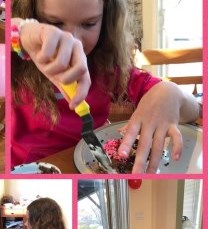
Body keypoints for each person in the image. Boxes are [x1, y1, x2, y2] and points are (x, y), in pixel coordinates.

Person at [11, 0, 200, 173]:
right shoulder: (15, 65)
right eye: (54, 23)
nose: (73, 40)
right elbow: (6, 36)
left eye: (89, 24)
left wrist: (170, 93)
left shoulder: (108, 68)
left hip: (92, 166)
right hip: (29, 170)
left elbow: (197, 110)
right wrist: (22, 31)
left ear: (106, 20)